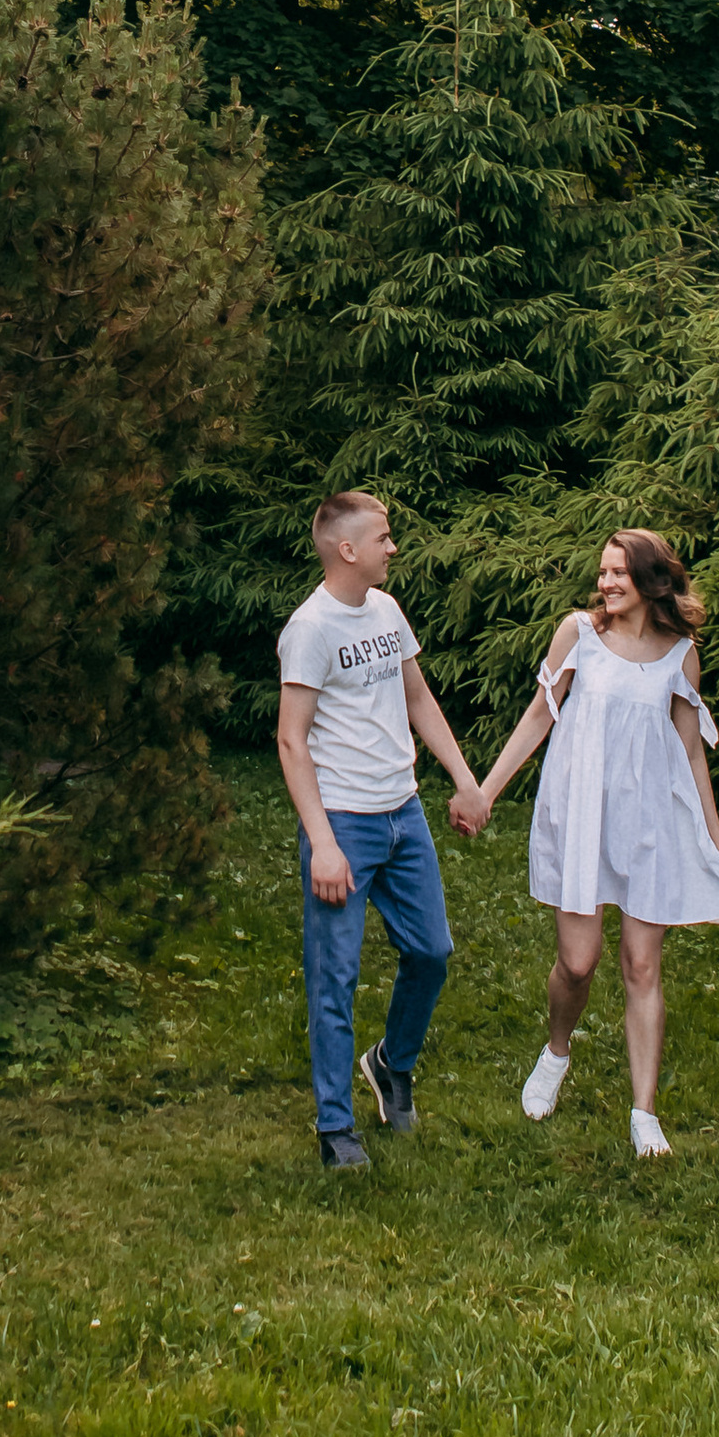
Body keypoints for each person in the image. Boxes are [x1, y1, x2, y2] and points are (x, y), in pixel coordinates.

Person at [463, 526, 719, 1158]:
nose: (606, 583)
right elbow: (540, 715)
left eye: (619, 572)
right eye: (603, 572)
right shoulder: (579, 636)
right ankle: (557, 1051)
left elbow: (691, 750)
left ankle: (645, 1112)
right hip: (581, 813)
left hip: (649, 823)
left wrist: (712, 835)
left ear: (651, 581)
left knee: (642, 965)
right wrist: (484, 792)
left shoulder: (679, 653)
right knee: (579, 962)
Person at [276, 490, 481, 1171]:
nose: (393, 547)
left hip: (405, 814)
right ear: (348, 549)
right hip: (344, 823)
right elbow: (290, 742)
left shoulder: (387, 610)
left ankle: (391, 1062)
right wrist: (324, 844)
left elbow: (416, 695)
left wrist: (463, 778)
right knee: (334, 978)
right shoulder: (311, 629)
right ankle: (336, 1127)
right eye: (384, 538)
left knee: (432, 953)